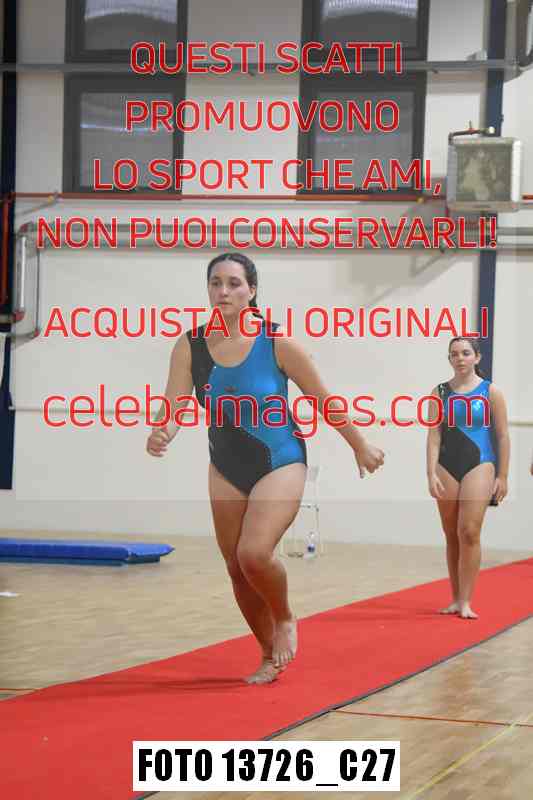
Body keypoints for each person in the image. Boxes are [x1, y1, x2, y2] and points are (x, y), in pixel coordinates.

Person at [146, 252, 385, 683]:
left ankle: (285, 615)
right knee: (236, 568)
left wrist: (359, 444)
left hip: (280, 458)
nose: (223, 291)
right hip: (225, 464)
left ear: (252, 290)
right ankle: (267, 652)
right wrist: (163, 431)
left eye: (234, 283)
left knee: (253, 553)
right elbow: (175, 404)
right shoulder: (190, 345)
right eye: (215, 283)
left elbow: (323, 399)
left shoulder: (277, 343)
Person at [426, 337, 509, 619]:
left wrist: (503, 475)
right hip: (446, 466)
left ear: (477, 357)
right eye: (454, 354)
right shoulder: (439, 392)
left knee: (469, 532)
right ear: (449, 359)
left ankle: (466, 601)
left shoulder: (491, 392)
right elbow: (434, 435)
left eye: (465, 353)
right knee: (451, 533)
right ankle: (455, 598)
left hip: (481, 463)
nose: (460, 358)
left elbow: (502, 435)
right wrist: (430, 472)